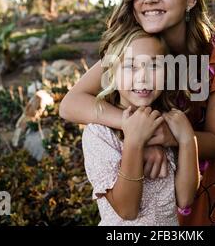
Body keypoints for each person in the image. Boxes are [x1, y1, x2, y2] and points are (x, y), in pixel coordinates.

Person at [60, 0, 215, 225]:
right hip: (152, 179)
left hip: (210, 178)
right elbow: (71, 104)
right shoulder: (133, 46)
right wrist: (136, 128)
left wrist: (168, 136)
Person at [82, 29, 199, 225]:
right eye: (130, 66)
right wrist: (135, 143)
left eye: (154, 66)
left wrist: (188, 140)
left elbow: (185, 199)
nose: (143, 77)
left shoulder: (169, 124)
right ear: (111, 72)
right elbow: (127, 211)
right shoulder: (99, 134)